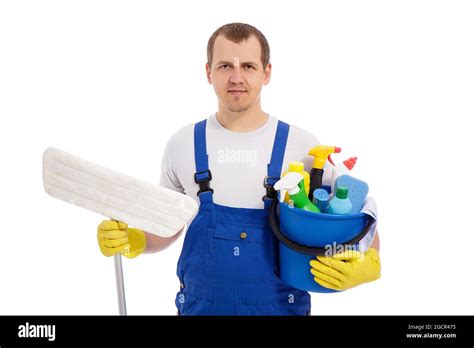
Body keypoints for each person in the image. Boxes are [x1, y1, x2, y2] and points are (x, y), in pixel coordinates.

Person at [97, 23, 381, 315]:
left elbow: (353, 219)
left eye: (248, 66)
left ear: (266, 72)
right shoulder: (182, 145)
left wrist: (369, 261)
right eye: (224, 66)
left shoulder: (303, 147)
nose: (236, 77)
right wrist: (136, 240)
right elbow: (168, 225)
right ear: (208, 72)